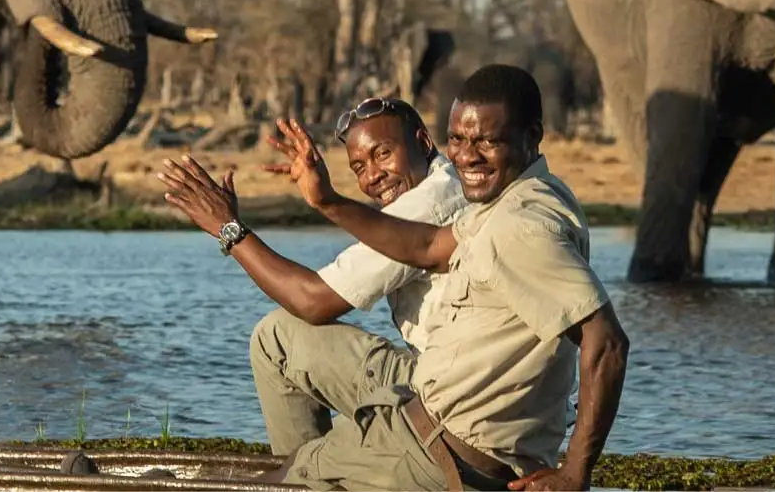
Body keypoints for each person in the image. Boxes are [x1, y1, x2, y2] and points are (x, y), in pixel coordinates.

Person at [158, 65, 629, 492]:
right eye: (460, 141)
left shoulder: (519, 226)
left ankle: (319, 472)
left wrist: (575, 474)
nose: (469, 156)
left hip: (439, 445)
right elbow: (426, 246)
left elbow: (606, 343)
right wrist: (328, 202)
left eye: (488, 142)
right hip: (446, 418)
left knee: (282, 484)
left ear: (531, 137)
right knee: (279, 348)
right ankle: (323, 469)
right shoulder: (515, 198)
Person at [157, 96, 468, 462]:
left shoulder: (427, 206)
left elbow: (313, 301)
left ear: (423, 142)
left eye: (383, 154)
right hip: (463, 385)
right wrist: (328, 199)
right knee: (339, 429)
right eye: (358, 167)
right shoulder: (448, 182)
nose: (372, 176)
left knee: (277, 338)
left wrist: (230, 231)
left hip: (445, 397)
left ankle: (301, 478)